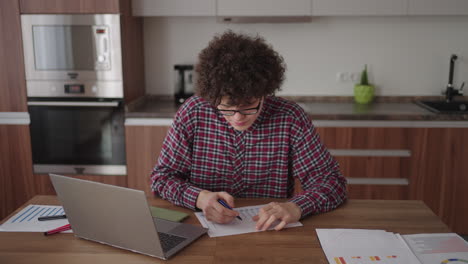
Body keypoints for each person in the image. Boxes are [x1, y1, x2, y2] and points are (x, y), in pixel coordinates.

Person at [150, 30, 347, 231]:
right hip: (202, 231)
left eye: (249, 105)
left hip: (270, 232)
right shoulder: (193, 112)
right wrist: (200, 198)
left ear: (264, 92)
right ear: (213, 96)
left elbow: (331, 183)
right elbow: (162, 178)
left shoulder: (290, 117)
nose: (237, 117)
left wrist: (296, 207)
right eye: (226, 106)